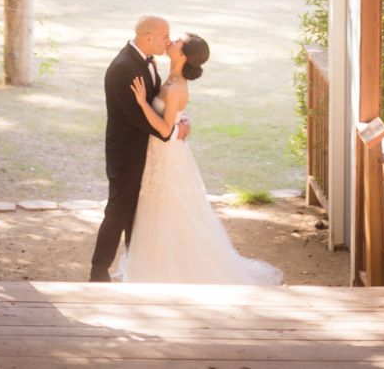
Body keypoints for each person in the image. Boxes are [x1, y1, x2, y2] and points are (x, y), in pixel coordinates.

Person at [120, 31, 283, 285]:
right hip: (159, 153)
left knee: (169, 210)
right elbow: (172, 120)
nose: (171, 41)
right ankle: (154, 268)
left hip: (167, 156)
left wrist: (142, 103)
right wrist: (180, 119)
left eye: (177, 42)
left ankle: (168, 271)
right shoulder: (172, 79)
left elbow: (164, 130)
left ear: (183, 55)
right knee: (155, 209)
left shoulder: (176, 86)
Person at [89, 15, 190, 282]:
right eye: (165, 36)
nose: (168, 41)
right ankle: (98, 271)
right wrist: (170, 131)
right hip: (127, 153)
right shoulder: (124, 68)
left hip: (149, 151)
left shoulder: (147, 61)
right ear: (148, 38)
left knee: (139, 211)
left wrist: (178, 119)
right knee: (119, 209)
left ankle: (137, 267)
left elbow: (158, 103)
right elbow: (137, 116)